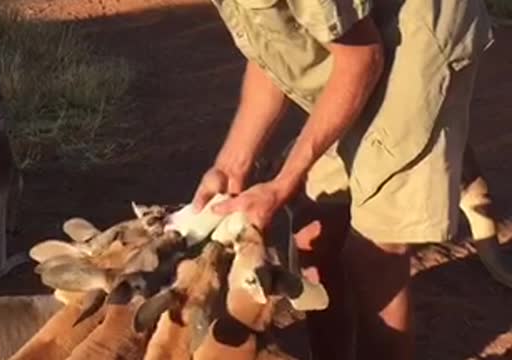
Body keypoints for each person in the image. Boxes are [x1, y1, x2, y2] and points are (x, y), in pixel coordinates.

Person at [192, 0, 495, 359]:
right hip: (356, 38)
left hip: (415, 33)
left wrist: (282, 183)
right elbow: (273, 45)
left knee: (373, 254)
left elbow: (362, 60)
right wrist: (232, 164)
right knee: (315, 235)